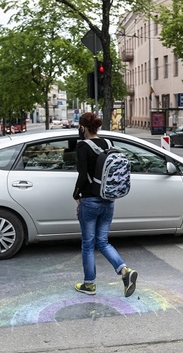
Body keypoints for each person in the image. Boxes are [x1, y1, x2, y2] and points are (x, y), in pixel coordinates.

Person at [72, 112, 138, 297]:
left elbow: (83, 175)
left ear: (83, 127)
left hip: (90, 202)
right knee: (103, 241)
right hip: (108, 200)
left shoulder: (82, 146)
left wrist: (76, 194)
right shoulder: (108, 143)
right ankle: (125, 272)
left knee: (87, 244)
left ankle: (89, 285)